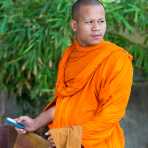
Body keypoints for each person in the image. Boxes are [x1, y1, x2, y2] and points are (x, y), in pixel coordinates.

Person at [15, 0, 133, 147]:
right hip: (61, 140)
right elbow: (65, 104)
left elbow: (112, 113)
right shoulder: (69, 55)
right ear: (74, 25)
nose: (96, 28)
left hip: (96, 143)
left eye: (101, 21)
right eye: (89, 22)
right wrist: (34, 123)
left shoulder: (116, 59)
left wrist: (74, 135)